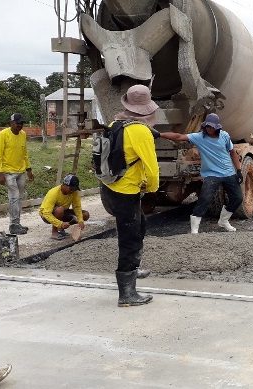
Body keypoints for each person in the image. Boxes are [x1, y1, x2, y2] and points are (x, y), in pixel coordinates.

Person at [100, 84, 160, 307]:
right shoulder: (140, 131)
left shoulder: (115, 124)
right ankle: (126, 294)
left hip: (110, 187)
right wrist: (152, 189)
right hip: (127, 193)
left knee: (139, 227)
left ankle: (134, 269)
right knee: (129, 239)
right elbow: (152, 168)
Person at [159, 112, 243, 234]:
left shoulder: (224, 136)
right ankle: (194, 229)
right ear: (205, 126)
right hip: (211, 174)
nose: (209, 129)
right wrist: (160, 134)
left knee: (237, 198)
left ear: (217, 127)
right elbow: (178, 137)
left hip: (228, 172)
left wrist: (239, 170)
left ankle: (223, 221)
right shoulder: (199, 137)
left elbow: (232, 152)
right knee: (205, 199)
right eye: (207, 126)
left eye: (212, 127)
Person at [0, 113, 34, 235]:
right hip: (7, 172)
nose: (20, 125)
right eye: (17, 123)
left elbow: (24, 153)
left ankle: (17, 223)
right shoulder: (3, 135)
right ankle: (13, 225)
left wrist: (29, 169)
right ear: (11, 123)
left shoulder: (23, 134)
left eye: (22, 123)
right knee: (14, 197)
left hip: (21, 171)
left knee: (18, 198)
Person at [39, 174, 89, 240]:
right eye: (71, 189)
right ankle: (54, 232)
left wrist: (80, 221)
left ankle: (61, 229)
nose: (72, 191)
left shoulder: (74, 192)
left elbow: (77, 207)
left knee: (85, 215)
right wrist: (60, 224)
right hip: (46, 216)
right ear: (64, 185)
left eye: (74, 189)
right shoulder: (53, 193)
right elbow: (46, 213)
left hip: (63, 212)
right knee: (60, 210)